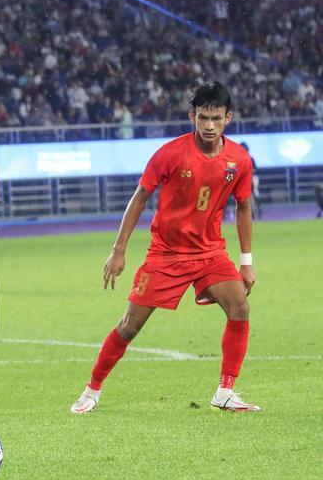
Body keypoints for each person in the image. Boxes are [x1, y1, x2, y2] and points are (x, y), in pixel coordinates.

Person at [71, 81, 260, 414]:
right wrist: (119, 249)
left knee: (240, 307)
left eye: (216, 118)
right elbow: (140, 197)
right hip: (166, 255)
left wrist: (246, 261)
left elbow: (243, 207)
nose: (209, 125)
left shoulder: (238, 160)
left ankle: (225, 391)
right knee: (130, 325)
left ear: (228, 118)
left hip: (210, 253)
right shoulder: (171, 153)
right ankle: (92, 389)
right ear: (192, 116)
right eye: (203, 118)